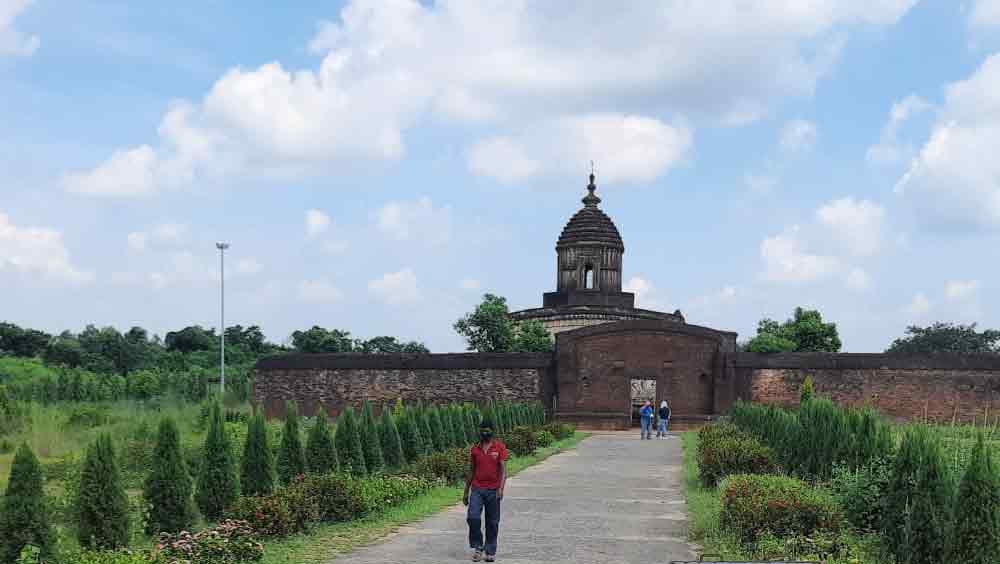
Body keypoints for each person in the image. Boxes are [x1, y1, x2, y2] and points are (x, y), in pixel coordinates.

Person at [463, 419, 508, 562]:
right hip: (477, 489)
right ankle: (478, 546)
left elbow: (503, 470)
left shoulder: (499, 447)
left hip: (493, 490)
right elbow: (471, 470)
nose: (485, 432)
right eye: (483, 429)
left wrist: (501, 489)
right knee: (473, 517)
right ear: (479, 431)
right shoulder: (475, 449)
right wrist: (466, 492)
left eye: (488, 429)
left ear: (492, 431)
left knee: (492, 522)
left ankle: (490, 551)